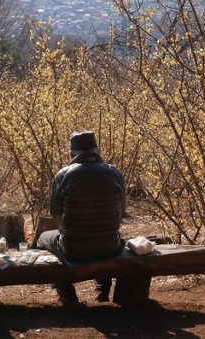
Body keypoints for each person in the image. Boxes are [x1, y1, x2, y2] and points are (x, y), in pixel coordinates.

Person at [37, 130, 126, 306]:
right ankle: (103, 288)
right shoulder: (114, 172)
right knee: (102, 235)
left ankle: (66, 292)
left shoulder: (64, 174)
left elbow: (55, 212)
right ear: (96, 150)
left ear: (71, 154)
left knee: (42, 238)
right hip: (110, 246)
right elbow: (121, 209)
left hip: (73, 248)